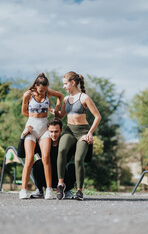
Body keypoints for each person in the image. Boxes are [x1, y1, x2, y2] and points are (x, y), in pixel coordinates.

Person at [55, 71, 101, 201]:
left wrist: (90, 133)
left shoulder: (84, 98)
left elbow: (98, 117)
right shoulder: (66, 99)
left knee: (78, 159)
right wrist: (54, 110)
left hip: (83, 132)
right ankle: (60, 184)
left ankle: (79, 190)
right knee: (62, 150)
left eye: (65, 84)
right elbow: (61, 116)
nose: (64, 86)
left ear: (73, 83)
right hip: (70, 130)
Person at [20, 73, 63, 199]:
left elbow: (60, 96)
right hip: (32, 128)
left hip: (44, 128)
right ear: (36, 86)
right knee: (29, 159)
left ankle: (49, 190)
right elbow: (23, 111)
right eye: (41, 90)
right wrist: (33, 119)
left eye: (45, 90)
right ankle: (23, 190)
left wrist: (55, 110)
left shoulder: (48, 93)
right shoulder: (28, 94)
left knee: (46, 157)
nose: (43, 92)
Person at [18, 118, 76, 199]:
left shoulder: (66, 143)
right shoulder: (43, 144)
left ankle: (66, 191)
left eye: (56, 131)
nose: (53, 134)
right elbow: (21, 154)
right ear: (47, 131)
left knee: (72, 166)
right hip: (46, 178)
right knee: (38, 163)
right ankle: (40, 190)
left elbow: (84, 158)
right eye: (51, 132)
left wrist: (87, 141)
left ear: (61, 130)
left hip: (62, 178)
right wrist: (22, 136)